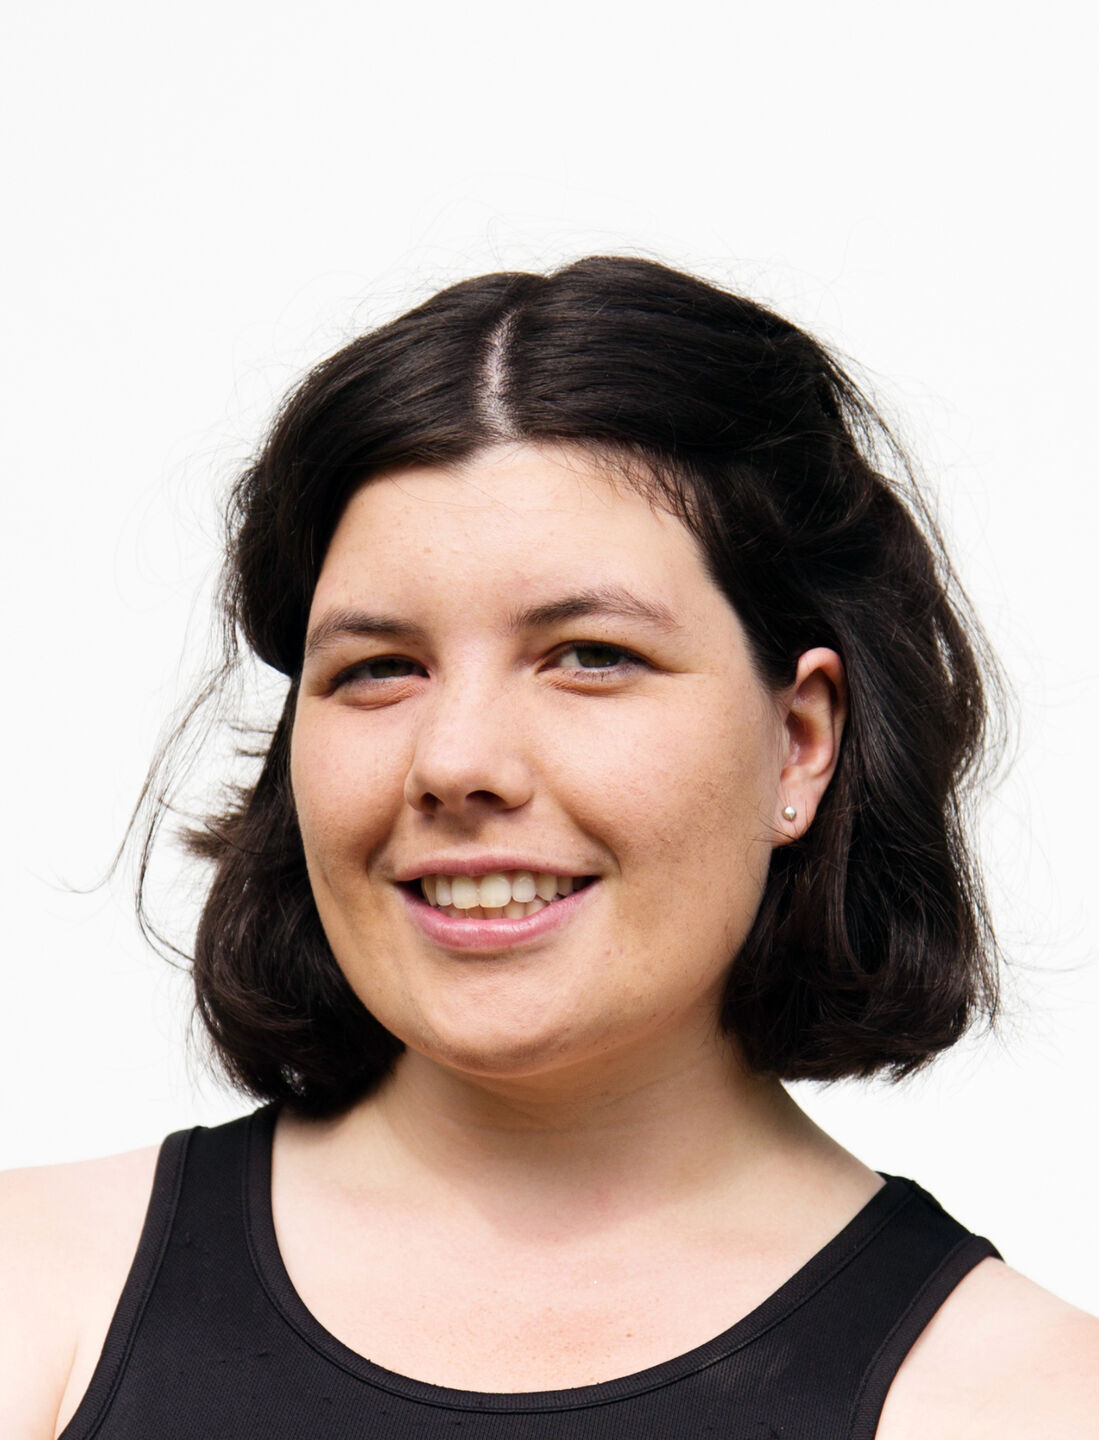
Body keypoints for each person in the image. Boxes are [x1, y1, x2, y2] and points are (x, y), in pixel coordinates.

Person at [3, 256, 1097, 1439]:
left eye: (590, 656)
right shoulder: (37, 1292)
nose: (455, 761)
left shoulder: (1024, 1403)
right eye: (378, 669)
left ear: (797, 743)